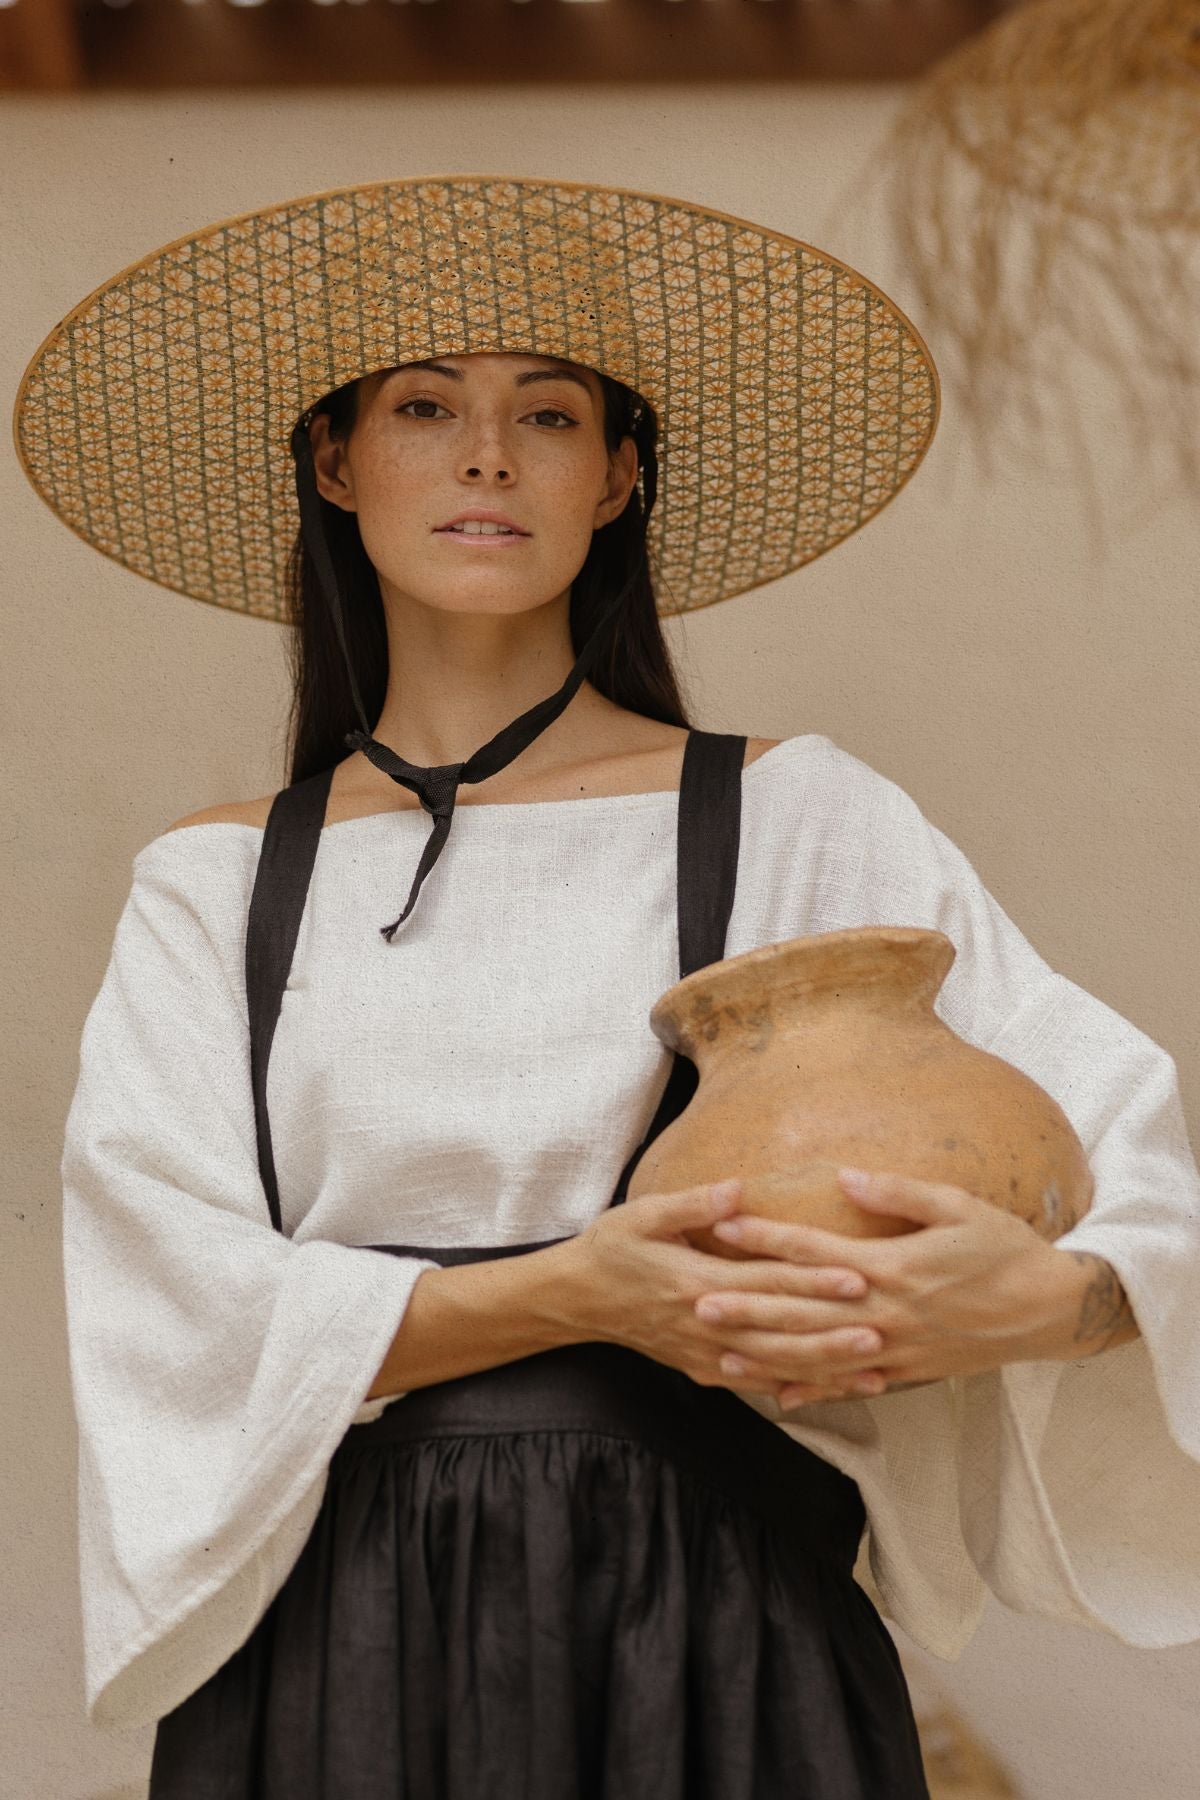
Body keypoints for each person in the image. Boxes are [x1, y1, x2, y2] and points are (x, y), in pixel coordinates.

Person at [18, 176, 1200, 1799]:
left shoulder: (798, 815)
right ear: (336, 463)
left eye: (550, 414)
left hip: (721, 1622)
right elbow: (172, 1293)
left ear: (618, 474)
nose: (489, 455)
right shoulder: (217, 881)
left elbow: (1128, 1154)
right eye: (425, 405)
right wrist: (579, 1293)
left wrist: (1061, 1302)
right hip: (333, 1647)